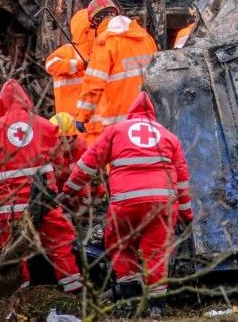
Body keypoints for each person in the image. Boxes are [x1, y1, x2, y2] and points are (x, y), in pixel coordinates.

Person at [62, 91, 193, 302]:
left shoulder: (115, 132)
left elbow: (88, 164)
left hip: (125, 202)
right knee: (156, 253)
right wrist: (187, 215)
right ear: (152, 114)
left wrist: (69, 190)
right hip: (162, 205)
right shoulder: (169, 136)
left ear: (131, 114)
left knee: (120, 244)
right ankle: (157, 306)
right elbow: (182, 181)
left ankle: (129, 295)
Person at [0, 79, 82, 293]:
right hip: (43, 200)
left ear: (1, 103)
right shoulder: (44, 125)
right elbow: (58, 161)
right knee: (59, 242)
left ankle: (21, 294)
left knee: (15, 252)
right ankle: (74, 288)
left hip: (10, 205)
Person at [74, 0, 158, 143]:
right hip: (150, 114)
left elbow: (94, 83)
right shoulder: (145, 37)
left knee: (121, 163)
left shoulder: (106, 41)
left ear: (95, 21)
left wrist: (82, 116)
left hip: (120, 121)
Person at [45, 8, 96, 117]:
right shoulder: (68, 50)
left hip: (94, 123)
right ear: (85, 29)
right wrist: (79, 65)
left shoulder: (101, 52)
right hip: (70, 121)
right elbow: (50, 65)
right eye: (94, 26)